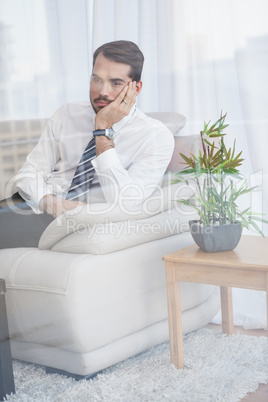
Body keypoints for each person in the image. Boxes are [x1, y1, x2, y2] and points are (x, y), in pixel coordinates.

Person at [1, 40, 174, 248]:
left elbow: (125, 203)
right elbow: (29, 172)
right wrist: (51, 202)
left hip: (86, 226)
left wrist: (102, 130)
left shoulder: (155, 136)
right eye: (96, 79)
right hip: (38, 208)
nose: (102, 92)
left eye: (116, 83)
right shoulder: (67, 114)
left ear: (136, 88)